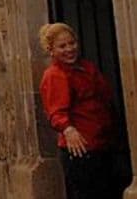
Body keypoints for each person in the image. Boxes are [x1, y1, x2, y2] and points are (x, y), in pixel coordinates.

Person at [38, 22, 129, 199]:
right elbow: (56, 112)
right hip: (81, 149)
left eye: (72, 43)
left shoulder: (87, 68)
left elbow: (105, 97)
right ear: (51, 50)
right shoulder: (55, 75)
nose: (69, 49)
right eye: (62, 46)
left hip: (102, 143)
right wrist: (68, 129)